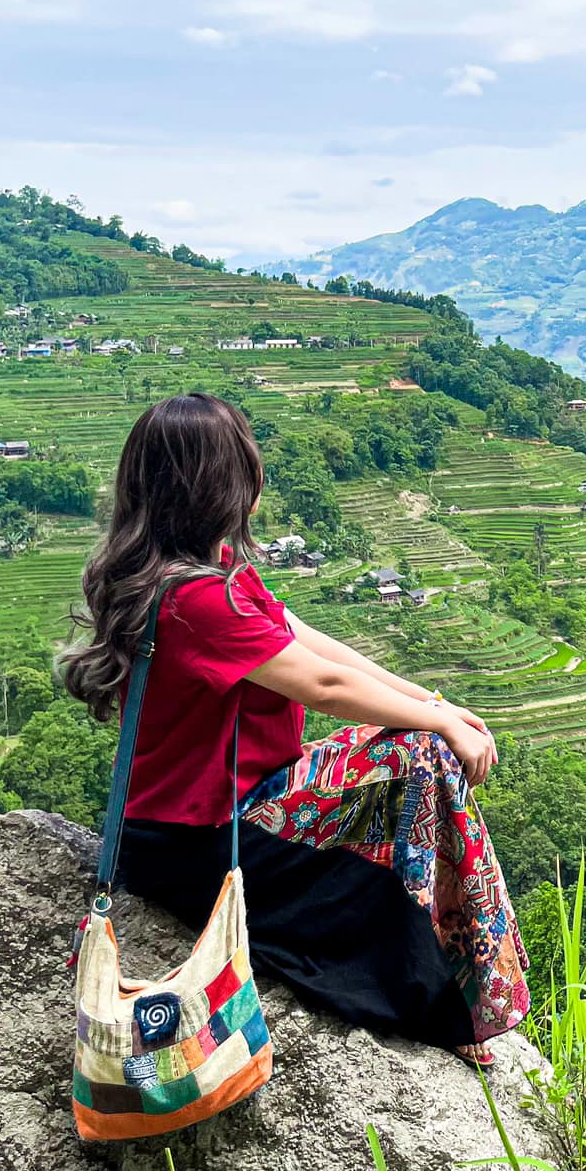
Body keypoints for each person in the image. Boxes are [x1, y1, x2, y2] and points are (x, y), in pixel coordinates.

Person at [62, 392, 528, 1065]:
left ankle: (431, 973)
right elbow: (326, 687)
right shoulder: (198, 601)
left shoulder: (211, 576)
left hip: (216, 811)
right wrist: (437, 724)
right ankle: (436, 988)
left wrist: (436, 704)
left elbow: (320, 649)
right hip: (195, 840)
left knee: (421, 744)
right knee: (421, 757)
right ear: (221, 487)